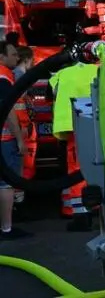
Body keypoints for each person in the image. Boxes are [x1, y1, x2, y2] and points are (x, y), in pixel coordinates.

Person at [51, 61, 100, 232]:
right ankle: (98, 207)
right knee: (98, 166)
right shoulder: (98, 70)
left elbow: (53, 92)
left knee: (76, 169)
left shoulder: (62, 73)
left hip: (72, 126)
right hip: (98, 125)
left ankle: (81, 215)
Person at [0, 40, 31, 239]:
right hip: (6, 139)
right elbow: (8, 110)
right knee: (6, 184)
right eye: (12, 54)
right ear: (1, 57)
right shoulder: (3, 77)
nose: (16, 57)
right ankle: (7, 228)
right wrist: (20, 139)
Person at [12, 46, 36, 208]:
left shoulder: (17, 75)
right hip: (20, 127)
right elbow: (16, 105)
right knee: (20, 166)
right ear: (27, 60)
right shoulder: (20, 76)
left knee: (22, 165)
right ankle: (19, 203)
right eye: (32, 60)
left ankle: (19, 200)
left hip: (22, 125)